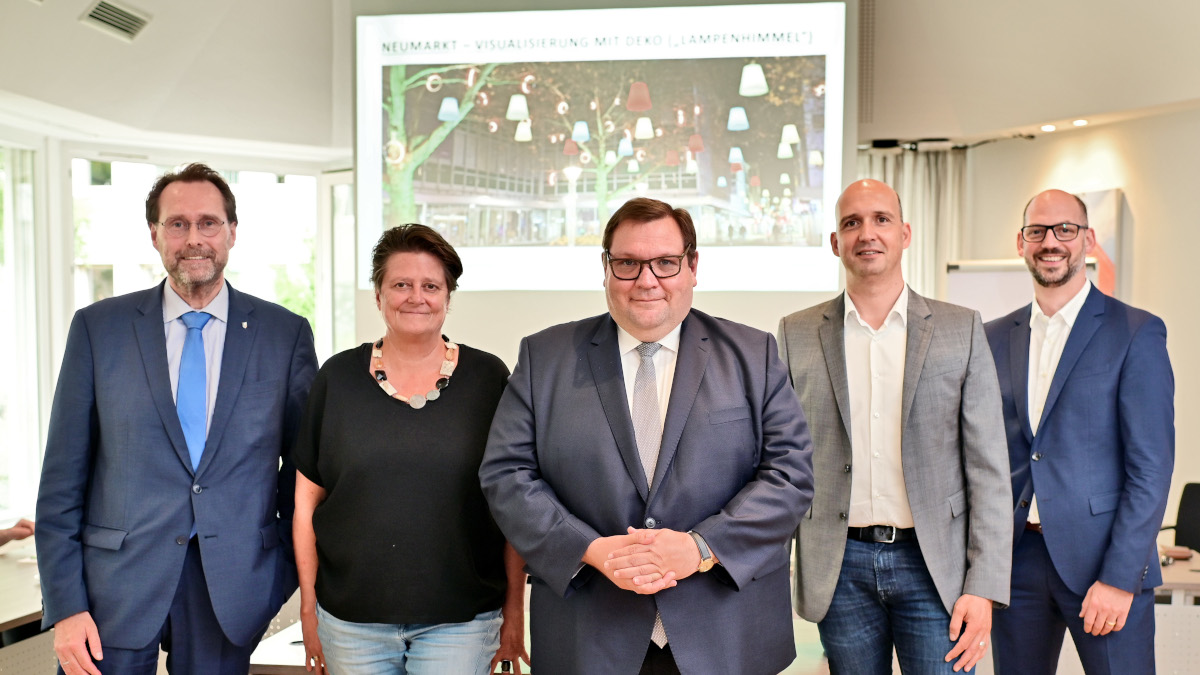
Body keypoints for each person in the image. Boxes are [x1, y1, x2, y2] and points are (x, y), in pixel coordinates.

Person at [479, 197, 815, 675]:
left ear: (693, 266)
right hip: (591, 633)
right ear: (606, 269)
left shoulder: (752, 353)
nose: (646, 280)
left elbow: (790, 474)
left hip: (725, 633)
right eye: (628, 264)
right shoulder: (544, 358)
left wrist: (700, 548)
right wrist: (590, 549)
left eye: (665, 262)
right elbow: (506, 477)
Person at [35, 163, 317, 674]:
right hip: (111, 592)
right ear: (154, 234)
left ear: (232, 232)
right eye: (177, 224)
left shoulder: (284, 334)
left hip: (230, 589)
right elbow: (61, 482)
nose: (194, 238)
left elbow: (303, 473)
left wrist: (273, 574)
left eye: (208, 223)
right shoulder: (100, 329)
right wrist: (67, 606)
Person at [777, 179, 1012, 674]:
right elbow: (780, 461)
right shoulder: (795, 333)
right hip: (839, 568)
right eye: (851, 222)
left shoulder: (960, 328)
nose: (867, 233)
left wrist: (984, 587)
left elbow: (989, 469)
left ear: (905, 233)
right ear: (835, 243)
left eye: (881, 219)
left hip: (936, 570)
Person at [292, 224, 528, 675]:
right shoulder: (336, 378)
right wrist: (308, 608)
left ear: (448, 297)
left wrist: (515, 611)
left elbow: (513, 505)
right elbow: (306, 504)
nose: (415, 297)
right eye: (400, 284)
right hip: (351, 623)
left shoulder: (489, 378)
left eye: (430, 286)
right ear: (378, 295)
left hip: (461, 621)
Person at [985, 189, 1174, 674]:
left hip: (1103, 564)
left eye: (1065, 229)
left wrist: (1119, 577)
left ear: (1088, 240)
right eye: (1038, 231)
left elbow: (1150, 469)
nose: (1051, 242)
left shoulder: (1135, 331)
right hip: (1016, 565)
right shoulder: (990, 337)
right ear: (1021, 243)